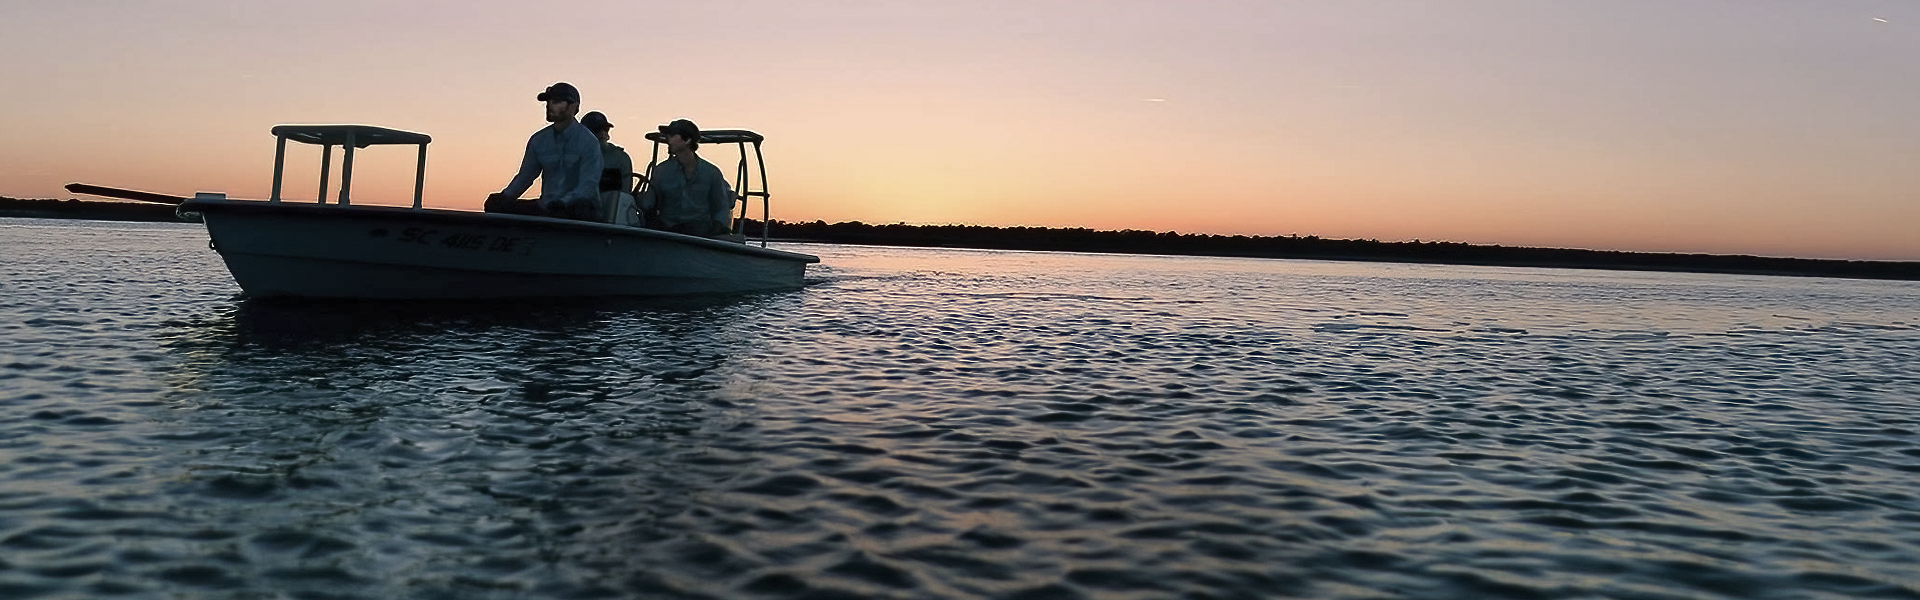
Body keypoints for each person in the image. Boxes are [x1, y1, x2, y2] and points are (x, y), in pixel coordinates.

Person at [484, 82, 603, 220]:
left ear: (573, 107)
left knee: (575, 208)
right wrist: (504, 198)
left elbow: (588, 185)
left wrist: (563, 203)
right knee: (497, 205)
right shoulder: (538, 140)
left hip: (581, 209)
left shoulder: (589, 142)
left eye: (556, 102)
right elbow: (525, 177)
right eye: (548, 101)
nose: (549, 105)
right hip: (546, 207)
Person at [643, 119, 734, 236]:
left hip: (699, 234)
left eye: (672, 135)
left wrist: (716, 229)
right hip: (666, 232)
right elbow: (648, 203)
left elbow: (721, 207)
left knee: (697, 227)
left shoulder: (711, 173)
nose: (668, 139)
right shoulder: (661, 171)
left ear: (687, 140)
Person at [581, 111, 639, 225]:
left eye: (605, 130)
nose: (603, 134)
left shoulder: (621, 158)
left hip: (613, 217)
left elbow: (624, 194)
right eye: (597, 130)